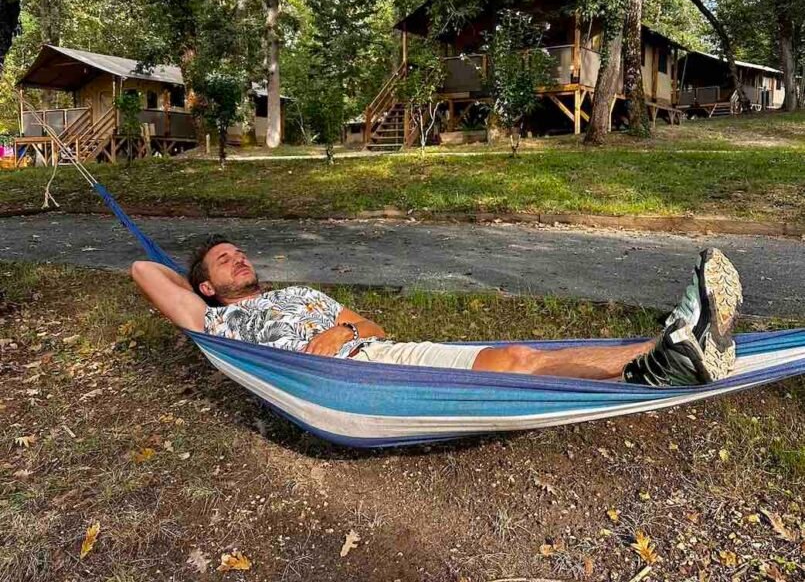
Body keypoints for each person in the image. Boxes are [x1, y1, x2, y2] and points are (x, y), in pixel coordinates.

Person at [130, 239, 742, 388]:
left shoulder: (300, 294)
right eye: (222, 261)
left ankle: (672, 354)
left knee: (517, 358)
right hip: (327, 382)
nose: (237, 258)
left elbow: (373, 327)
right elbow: (144, 271)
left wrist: (337, 329)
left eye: (238, 253)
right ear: (206, 289)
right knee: (518, 361)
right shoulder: (219, 325)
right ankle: (667, 354)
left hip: (373, 356)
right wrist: (192, 279)